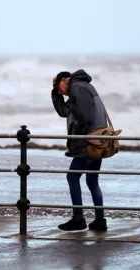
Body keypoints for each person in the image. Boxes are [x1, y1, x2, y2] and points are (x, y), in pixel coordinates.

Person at [51, 69, 108, 231]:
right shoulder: (83, 87)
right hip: (97, 140)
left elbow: (85, 117)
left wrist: (77, 139)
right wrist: (54, 94)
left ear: (64, 81)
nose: (61, 92)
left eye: (58, 88)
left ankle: (78, 218)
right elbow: (64, 112)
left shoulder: (77, 88)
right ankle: (99, 220)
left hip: (87, 142)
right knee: (91, 180)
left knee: (72, 177)